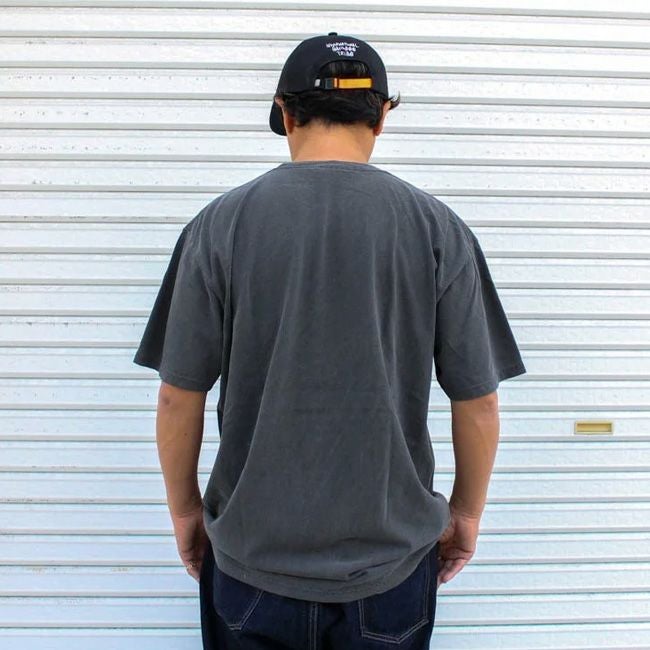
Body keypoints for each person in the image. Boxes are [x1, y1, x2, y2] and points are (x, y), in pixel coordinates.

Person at [133, 32, 527, 650]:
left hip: (250, 566)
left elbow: (177, 397)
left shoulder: (219, 226)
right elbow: (478, 402)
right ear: (382, 116)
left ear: (285, 112)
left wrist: (186, 513)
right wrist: (466, 514)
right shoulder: (438, 229)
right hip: (390, 570)